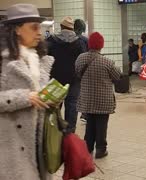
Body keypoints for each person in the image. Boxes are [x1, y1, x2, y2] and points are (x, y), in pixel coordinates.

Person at [0, 4, 54, 179]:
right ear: (17, 29)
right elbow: (26, 97)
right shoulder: (3, 61)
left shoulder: (37, 60)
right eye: (34, 27)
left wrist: (51, 98)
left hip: (39, 146)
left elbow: (39, 98)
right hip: (12, 148)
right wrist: (23, 97)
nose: (39, 32)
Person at [75, 32, 121, 159]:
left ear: (89, 44)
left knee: (90, 123)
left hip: (87, 98)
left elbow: (77, 73)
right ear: (101, 45)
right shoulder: (107, 62)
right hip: (103, 100)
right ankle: (101, 149)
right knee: (101, 124)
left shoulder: (80, 58)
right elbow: (118, 76)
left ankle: (87, 147)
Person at [47, 16, 86, 133]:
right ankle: (69, 134)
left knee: (54, 106)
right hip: (74, 80)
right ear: (72, 28)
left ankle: (54, 133)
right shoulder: (80, 42)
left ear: (61, 26)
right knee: (72, 106)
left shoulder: (51, 41)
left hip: (55, 80)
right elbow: (83, 61)